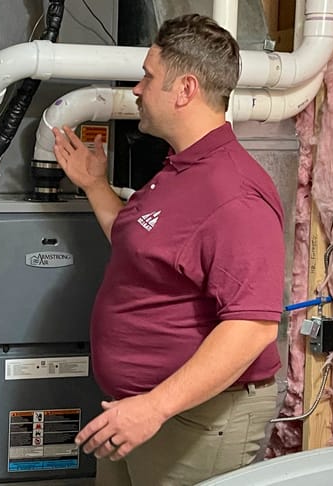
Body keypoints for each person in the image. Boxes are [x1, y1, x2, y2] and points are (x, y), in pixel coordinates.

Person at [52, 14, 284, 486]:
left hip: (193, 420)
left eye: (148, 77)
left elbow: (252, 328)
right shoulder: (179, 171)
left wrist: (153, 408)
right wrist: (96, 186)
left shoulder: (234, 193)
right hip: (137, 412)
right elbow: (142, 247)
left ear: (185, 90)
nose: (137, 89)